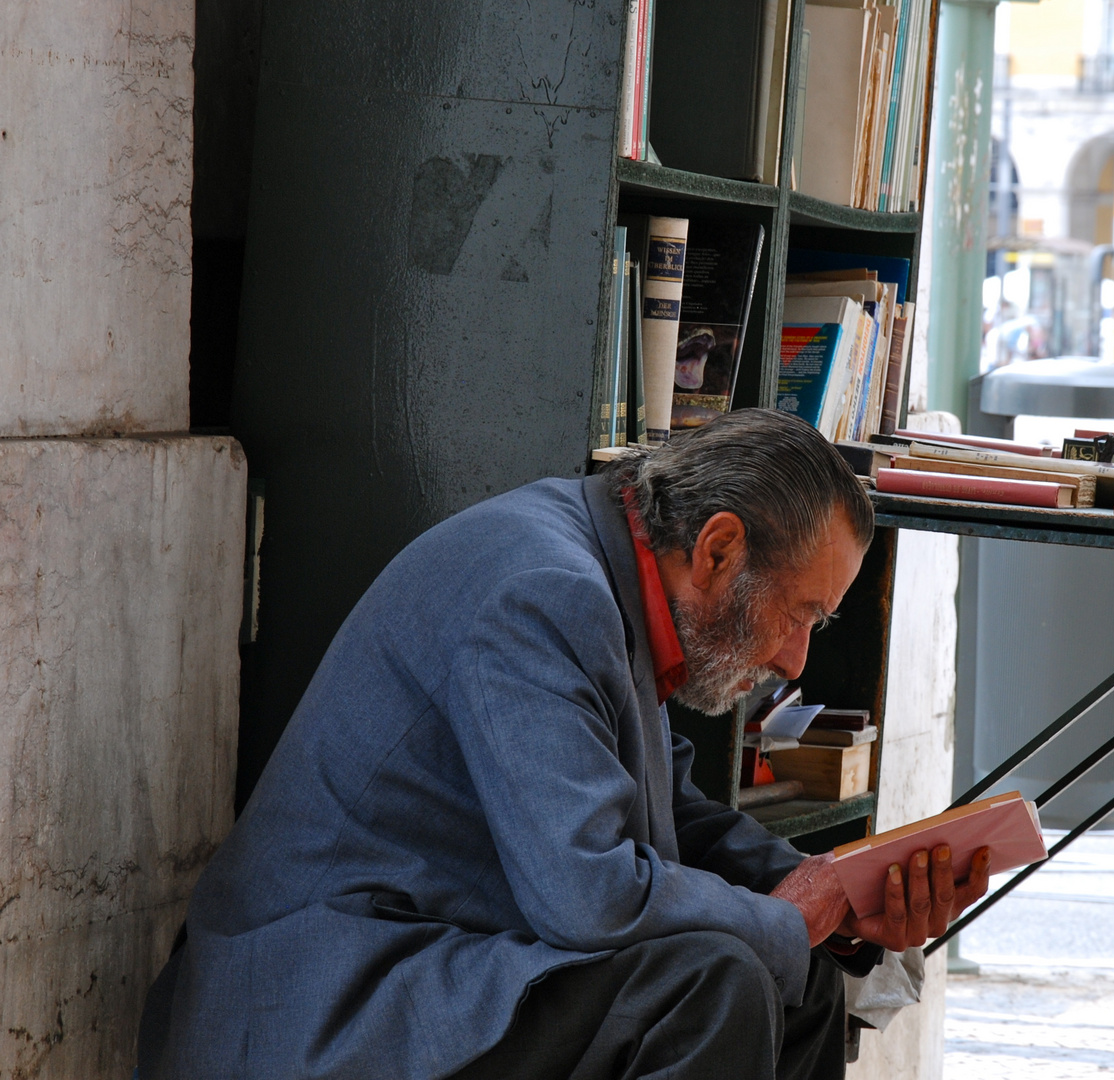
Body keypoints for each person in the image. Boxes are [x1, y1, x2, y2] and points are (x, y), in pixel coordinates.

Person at [138, 409, 990, 1080]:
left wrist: (835, 900)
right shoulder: (547, 591)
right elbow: (587, 895)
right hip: (326, 1006)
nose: (795, 660)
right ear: (719, 549)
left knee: (798, 980)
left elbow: (675, 817)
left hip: (445, 959)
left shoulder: (611, 568)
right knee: (709, 987)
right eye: (800, 615)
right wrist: (781, 919)